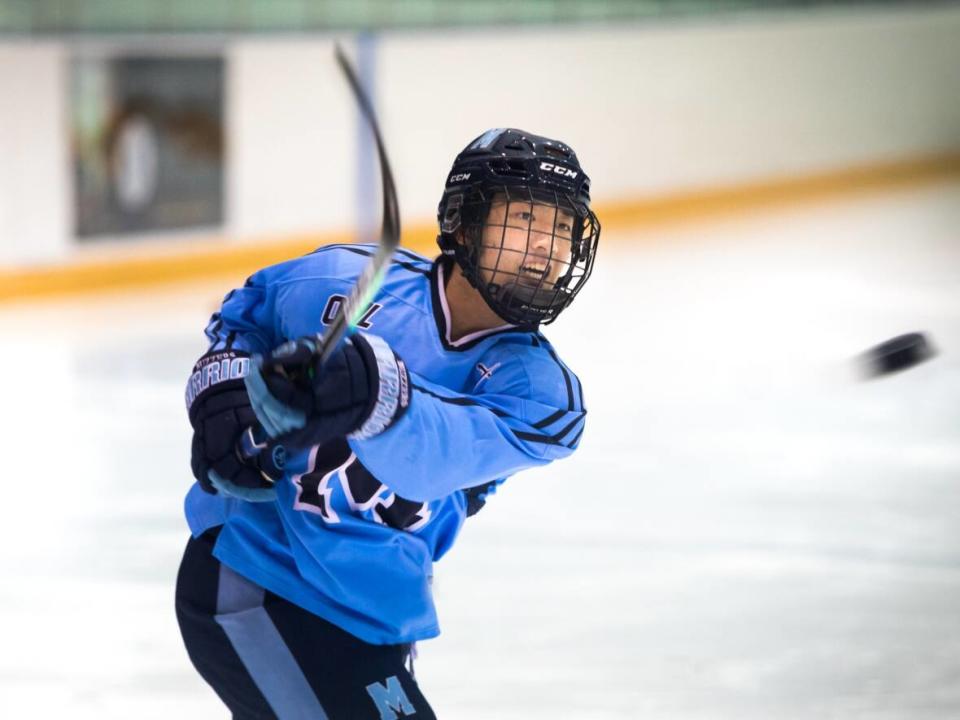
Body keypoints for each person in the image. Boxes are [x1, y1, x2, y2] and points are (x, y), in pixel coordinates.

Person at [175, 128, 600, 719]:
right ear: (465, 224)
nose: (545, 248)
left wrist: (372, 386)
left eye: (561, 229)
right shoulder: (334, 281)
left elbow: (427, 459)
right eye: (525, 219)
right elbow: (241, 321)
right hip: (258, 579)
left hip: (374, 616)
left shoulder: (540, 396)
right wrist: (225, 394)